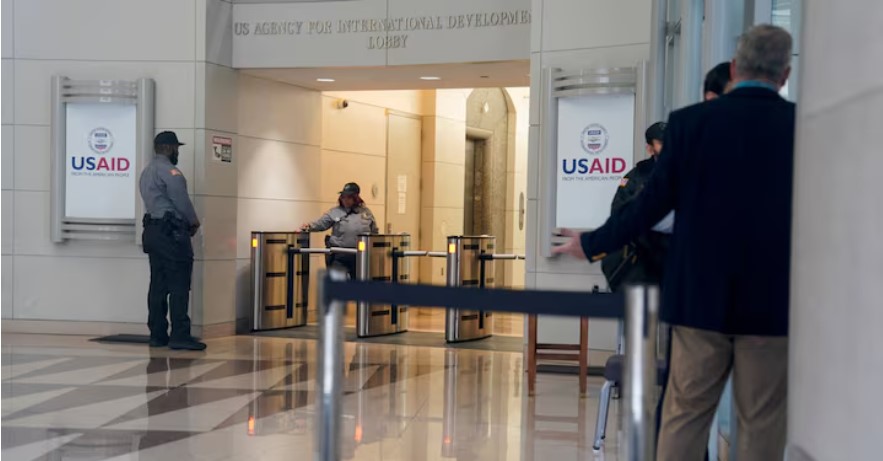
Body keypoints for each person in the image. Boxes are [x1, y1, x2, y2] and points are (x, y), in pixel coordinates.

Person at [554, 24, 794, 460]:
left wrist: (590, 243)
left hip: (700, 302)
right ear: (785, 74)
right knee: (761, 422)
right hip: (771, 303)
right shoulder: (800, 127)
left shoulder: (689, 125)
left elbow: (645, 209)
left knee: (685, 414)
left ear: (736, 67)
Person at [140, 131, 206, 351]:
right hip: (172, 234)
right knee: (179, 283)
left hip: (152, 231)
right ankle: (180, 334)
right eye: (176, 147)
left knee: (158, 284)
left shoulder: (146, 172)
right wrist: (194, 221)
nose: (177, 152)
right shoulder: (171, 172)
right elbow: (181, 201)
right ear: (168, 148)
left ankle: (157, 334)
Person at [601, 121, 670, 292]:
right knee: (641, 315)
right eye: (662, 143)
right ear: (650, 148)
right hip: (643, 262)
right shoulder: (636, 176)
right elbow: (618, 211)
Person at [301, 182, 378, 279]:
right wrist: (308, 226)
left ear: (356, 198)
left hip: (360, 255)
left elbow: (374, 232)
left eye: (349, 197)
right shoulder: (335, 212)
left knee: (360, 287)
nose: (345, 200)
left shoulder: (366, 213)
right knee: (337, 286)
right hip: (339, 254)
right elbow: (322, 223)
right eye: (343, 197)